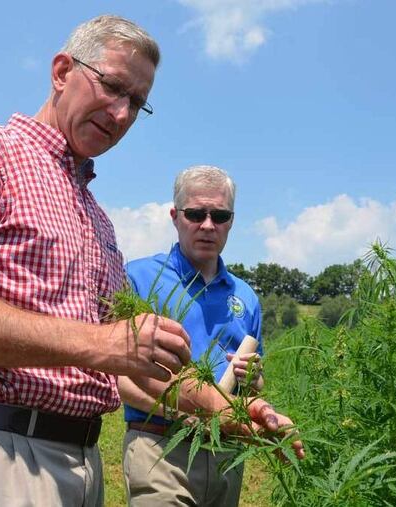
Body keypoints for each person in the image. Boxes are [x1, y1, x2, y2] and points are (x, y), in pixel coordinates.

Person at [0, 15, 193, 506]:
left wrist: (235, 413)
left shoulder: (97, 219)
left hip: (82, 463)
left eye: (136, 102)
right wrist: (101, 343)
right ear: (61, 72)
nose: (121, 114)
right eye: (113, 86)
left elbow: (126, 359)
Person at [120, 165, 304, 507]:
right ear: (175, 217)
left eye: (219, 215)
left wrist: (253, 378)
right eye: (196, 214)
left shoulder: (245, 296)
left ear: (231, 221)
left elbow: (253, 385)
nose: (208, 225)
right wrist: (193, 415)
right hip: (160, 448)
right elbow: (121, 379)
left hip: (225, 453)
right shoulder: (139, 278)